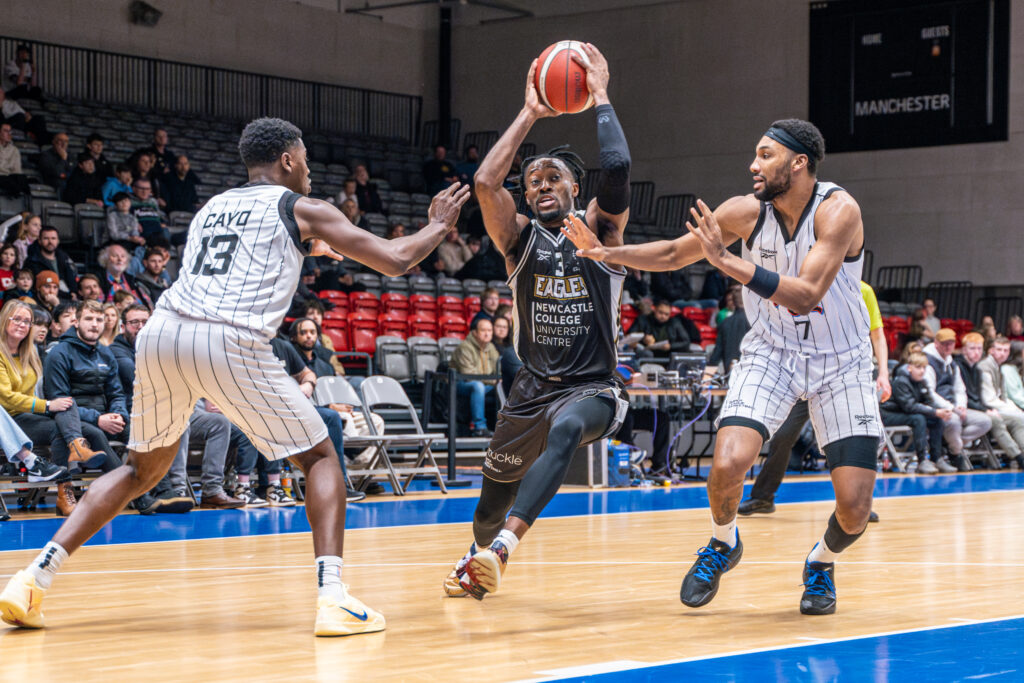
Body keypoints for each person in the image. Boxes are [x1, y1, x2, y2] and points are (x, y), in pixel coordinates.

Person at [0, 116, 469, 637]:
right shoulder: (304, 207)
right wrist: (437, 223)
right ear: (288, 160)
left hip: (162, 332)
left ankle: (30, 578)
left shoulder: (212, 208)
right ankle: (333, 598)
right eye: (306, 160)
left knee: (139, 472)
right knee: (318, 456)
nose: (310, 171)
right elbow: (397, 259)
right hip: (226, 337)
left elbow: (245, 256)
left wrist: (310, 246)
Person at [566, 118, 880, 615]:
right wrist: (605, 251)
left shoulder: (838, 211)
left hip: (841, 361)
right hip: (772, 352)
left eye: (766, 155)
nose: (753, 165)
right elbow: (671, 254)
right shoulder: (743, 212)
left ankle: (820, 561)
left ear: (799, 163)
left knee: (856, 509)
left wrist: (727, 263)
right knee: (728, 463)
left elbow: (806, 294)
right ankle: (722, 543)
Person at [443, 44, 632, 601]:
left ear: (576, 187)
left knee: (571, 428)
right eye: (533, 182)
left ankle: (503, 550)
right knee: (487, 510)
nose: (542, 186)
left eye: (553, 178)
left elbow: (618, 167)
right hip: (530, 389)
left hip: (593, 385)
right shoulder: (518, 239)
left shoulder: (601, 230)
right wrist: (530, 111)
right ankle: (481, 553)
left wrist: (599, 96)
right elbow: (484, 183)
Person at [737, 281, 890, 516]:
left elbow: (877, 334)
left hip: (841, 377)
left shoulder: (863, 289)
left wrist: (884, 374)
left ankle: (856, 504)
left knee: (849, 441)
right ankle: (763, 497)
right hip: (802, 373)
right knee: (783, 436)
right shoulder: (805, 284)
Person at [0, 300, 102, 515]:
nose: (22, 324)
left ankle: (65, 491)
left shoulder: (32, 354)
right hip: (6, 420)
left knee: (65, 409)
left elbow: (35, 395)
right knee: (58, 405)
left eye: (27, 321)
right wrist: (47, 405)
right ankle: (35, 460)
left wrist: (55, 405)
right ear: (4, 320)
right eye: (16, 319)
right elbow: (6, 398)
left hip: (25, 417)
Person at [923, 328, 991, 472]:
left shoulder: (952, 363)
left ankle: (950, 444)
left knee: (985, 421)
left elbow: (960, 389)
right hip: (936, 407)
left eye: (951, 343)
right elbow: (930, 393)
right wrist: (952, 408)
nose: (948, 347)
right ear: (936, 343)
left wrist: (961, 405)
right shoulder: (928, 362)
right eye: (944, 344)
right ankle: (956, 453)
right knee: (953, 421)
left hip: (954, 406)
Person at [977, 335, 1024, 469]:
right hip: (984, 408)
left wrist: (1015, 410)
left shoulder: (999, 368)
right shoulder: (985, 367)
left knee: (1018, 420)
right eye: (999, 349)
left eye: (1006, 350)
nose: (1003, 353)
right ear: (991, 350)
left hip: (995, 407)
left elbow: (1003, 397)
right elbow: (988, 399)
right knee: (1015, 418)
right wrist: (1014, 410)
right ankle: (1018, 457)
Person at [451, 317, 500, 437]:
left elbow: (498, 371)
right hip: (460, 383)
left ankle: (504, 427)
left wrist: (498, 381)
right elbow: (468, 374)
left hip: (486, 384)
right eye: (483, 330)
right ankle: (480, 428)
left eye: (490, 330)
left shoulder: (491, 348)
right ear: (475, 332)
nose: (487, 333)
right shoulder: (464, 347)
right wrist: (494, 380)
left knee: (503, 387)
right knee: (477, 386)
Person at [24, 225, 77, 296]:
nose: (50, 241)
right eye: (46, 238)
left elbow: (72, 280)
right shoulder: (32, 261)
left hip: (67, 298)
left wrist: (74, 293)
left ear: (58, 241)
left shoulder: (64, 258)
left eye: (53, 238)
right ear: (39, 241)